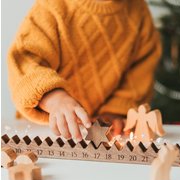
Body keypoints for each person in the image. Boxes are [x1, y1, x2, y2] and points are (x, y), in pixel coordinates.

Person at [7, 0, 162, 142]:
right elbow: (25, 60)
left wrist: (116, 110)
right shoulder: (53, 6)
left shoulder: (138, 11)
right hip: (42, 131)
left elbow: (140, 70)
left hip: (101, 134)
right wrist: (55, 100)